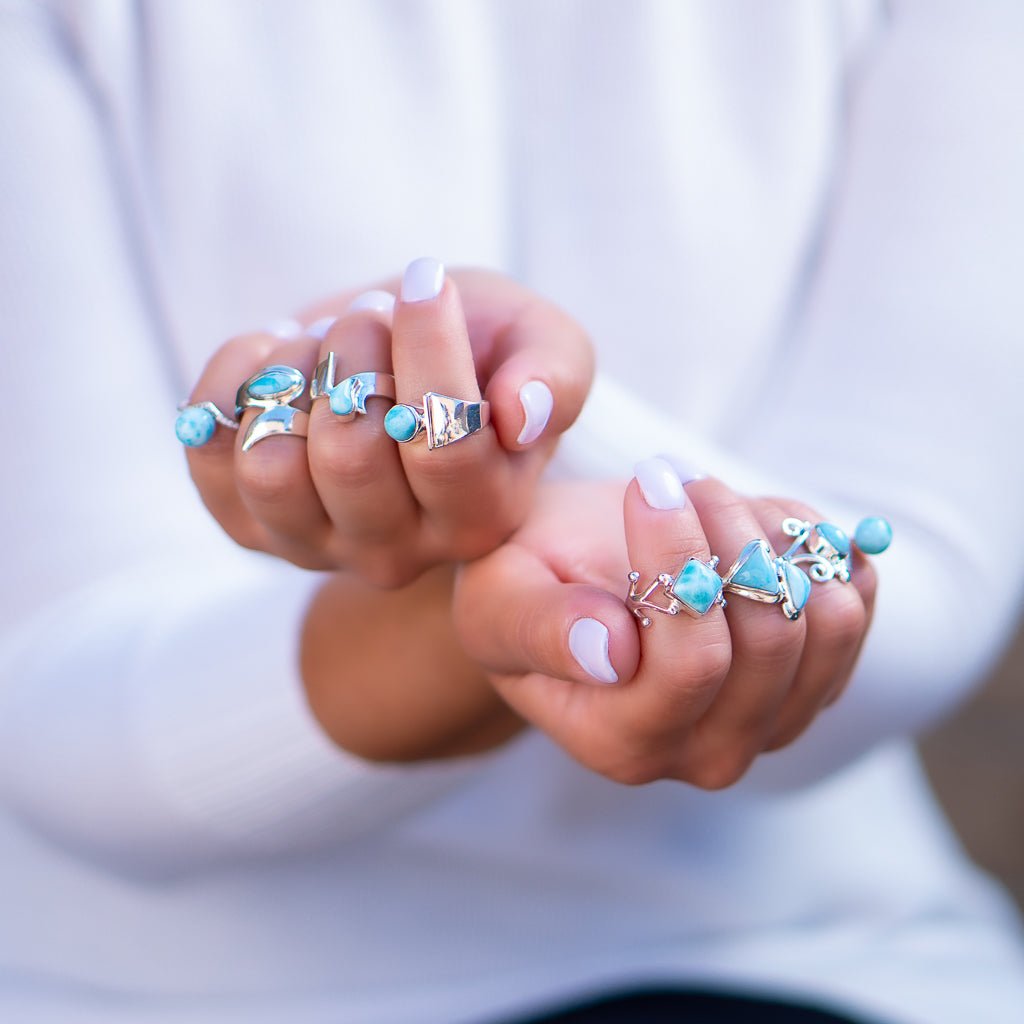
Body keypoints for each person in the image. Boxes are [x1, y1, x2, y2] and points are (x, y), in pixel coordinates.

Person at [2, 3, 1023, 1023]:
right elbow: (56, 701)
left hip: (791, 957)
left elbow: (912, 576)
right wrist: (489, 616)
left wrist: (543, 434)